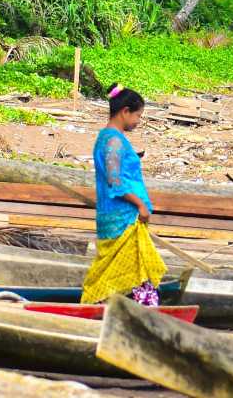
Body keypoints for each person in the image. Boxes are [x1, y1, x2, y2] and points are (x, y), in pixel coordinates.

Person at [81, 84, 167, 305]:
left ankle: (119, 307)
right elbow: (115, 182)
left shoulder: (109, 138)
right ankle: (135, 312)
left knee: (128, 269)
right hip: (122, 218)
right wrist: (140, 205)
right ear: (125, 111)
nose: (139, 120)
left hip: (117, 217)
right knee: (135, 271)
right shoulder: (113, 141)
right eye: (138, 115)